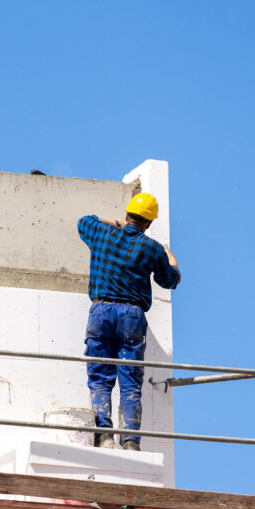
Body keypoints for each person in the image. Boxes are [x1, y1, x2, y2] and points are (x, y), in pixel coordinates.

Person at [77, 193, 180, 450]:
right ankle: (131, 440)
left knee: (100, 378)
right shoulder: (152, 248)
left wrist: (116, 223)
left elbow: (83, 221)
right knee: (130, 382)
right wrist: (172, 260)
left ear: (126, 215)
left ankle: (104, 436)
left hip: (101, 311)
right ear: (149, 224)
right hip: (132, 316)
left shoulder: (102, 233)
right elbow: (169, 280)